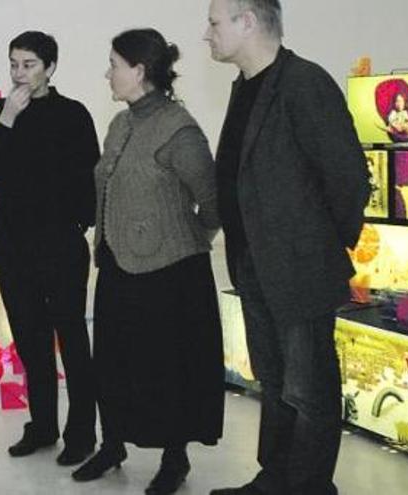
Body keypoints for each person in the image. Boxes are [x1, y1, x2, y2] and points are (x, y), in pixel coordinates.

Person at [204, 1, 370, 494]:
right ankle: (276, 479)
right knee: (275, 384)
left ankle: (311, 486)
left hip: (299, 267)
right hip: (256, 264)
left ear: (247, 22)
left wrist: (316, 247)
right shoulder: (245, 88)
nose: (206, 33)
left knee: (308, 389)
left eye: (214, 23)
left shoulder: (303, 82)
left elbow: (348, 178)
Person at [70, 29, 224, 495]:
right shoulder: (120, 124)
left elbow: (213, 201)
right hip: (118, 265)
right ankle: (113, 442)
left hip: (171, 273)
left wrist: (190, 238)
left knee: (167, 368)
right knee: (114, 364)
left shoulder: (179, 128)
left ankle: (174, 458)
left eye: (114, 63)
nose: (108, 73)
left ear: (139, 71)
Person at [0, 30, 99, 466]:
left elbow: (89, 176)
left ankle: (82, 433)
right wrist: (8, 118)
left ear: (49, 67)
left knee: (70, 336)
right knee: (30, 339)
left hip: (60, 242)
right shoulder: (2, 113)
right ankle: (43, 426)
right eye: (13, 64)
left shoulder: (73, 114)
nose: (19, 73)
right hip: (13, 243)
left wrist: (77, 226)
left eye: (28, 64)